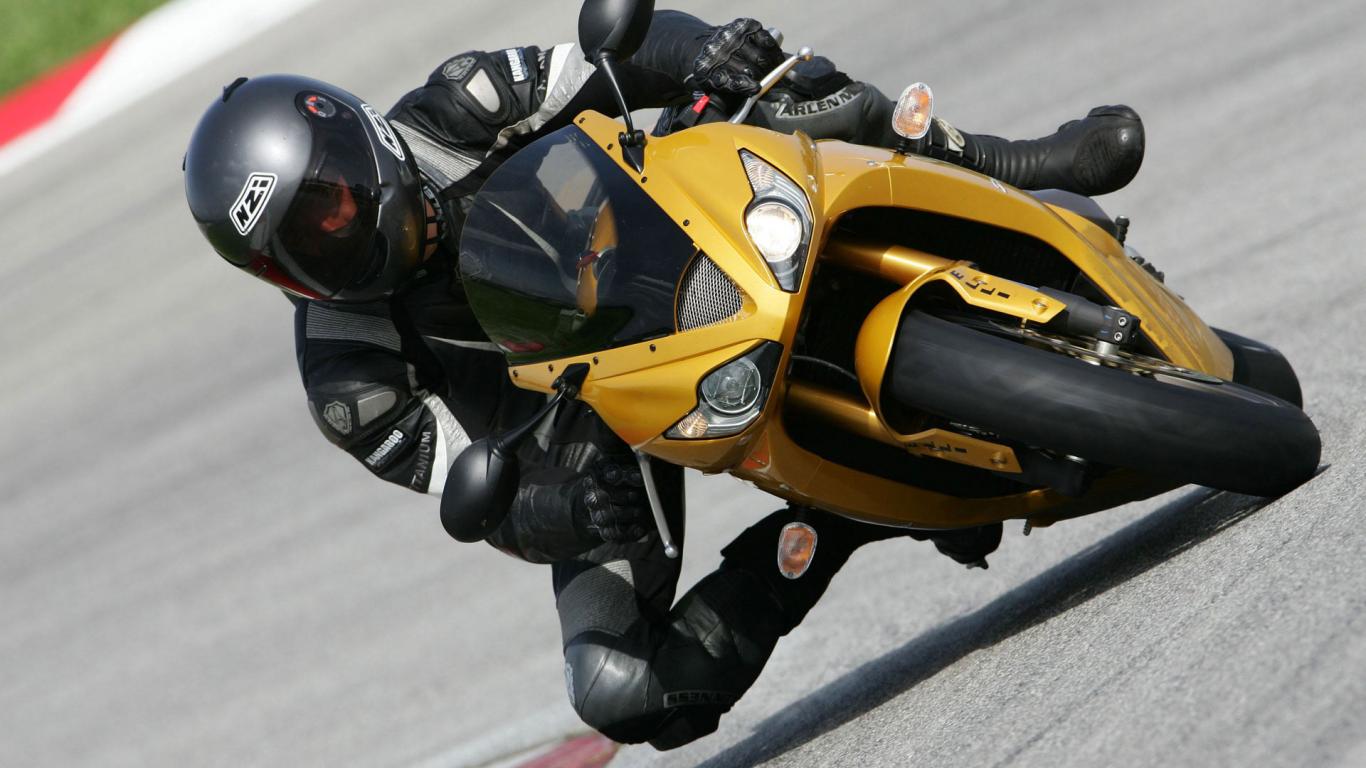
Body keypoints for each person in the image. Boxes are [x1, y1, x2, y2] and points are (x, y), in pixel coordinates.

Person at [182, 10, 1144, 748]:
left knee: (793, 90)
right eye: (305, 242)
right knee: (622, 690)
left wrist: (709, 54)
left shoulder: (460, 104)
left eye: (332, 198)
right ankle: (844, 517)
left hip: (661, 225)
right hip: (583, 424)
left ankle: (1017, 163)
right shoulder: (349, 377)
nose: (339, 230)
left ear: (358, 139)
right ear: (277, 276)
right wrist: (560, 510)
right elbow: (474, 489)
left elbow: (618, 55)